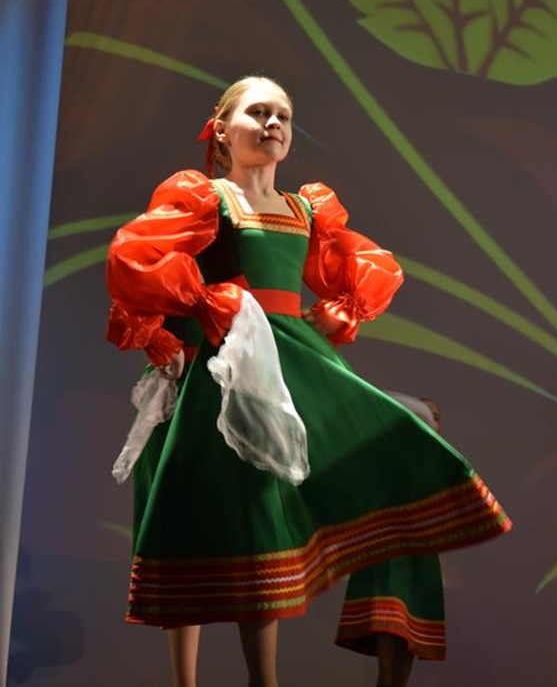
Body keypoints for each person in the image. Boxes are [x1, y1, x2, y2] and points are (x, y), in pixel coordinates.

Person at [105, 76, 511, 687]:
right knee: (198, 515)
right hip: (218, 368)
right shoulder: (205, 197)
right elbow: (137, 261)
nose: (273, 124)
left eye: (283, 116)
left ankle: (267, 678)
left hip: (287, 360)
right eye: (258, 112)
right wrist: (195, 308)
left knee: (270, 513)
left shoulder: (305, 210)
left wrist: (339, 310)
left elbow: (364, 269)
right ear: (222, 129)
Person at [336, 393, 446, 687]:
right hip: (389, 548)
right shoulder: (391, 455)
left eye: (436, 417)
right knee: (390, 620)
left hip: (420, 553)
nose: (431, 420)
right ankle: (385, 679)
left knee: (409, 627)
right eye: (426, 414)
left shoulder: (438, 461)